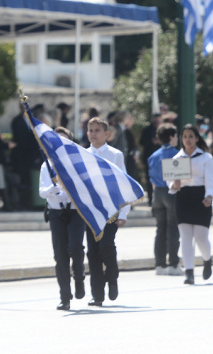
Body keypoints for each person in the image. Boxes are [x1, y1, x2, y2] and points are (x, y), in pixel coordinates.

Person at [39, 126, 86, 310]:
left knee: (75, 247)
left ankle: (79, 277)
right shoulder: (47, 165)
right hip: (56, 212)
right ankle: (64, 296)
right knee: (60, 255)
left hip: (75, 211)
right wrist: (55, 187)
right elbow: (42, 191)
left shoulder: (76, 162)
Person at [85, 117, 127, 305]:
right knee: (93, 252)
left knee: (106, 246)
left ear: (106, 134)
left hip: (110, 210)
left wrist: (124, 213)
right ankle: (97, 294)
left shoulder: (115, 155)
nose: (94, 134)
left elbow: (123, 183)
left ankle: (112, 276)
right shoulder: (82, 154)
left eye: (97, 130)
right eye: (91, 130)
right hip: (90, 210)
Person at [168, 124, 213, 285]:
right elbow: (171, 183)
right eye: (185, 136)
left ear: (197, 138)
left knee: (201, 237)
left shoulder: (205, 157)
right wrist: (174, 184)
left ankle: (207, 260)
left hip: (201, 197)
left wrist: (209, 196)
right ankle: (189, 272)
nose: (187, 140)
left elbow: (210, 179)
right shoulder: (176, 159)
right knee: (186, 237)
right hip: (183, 197)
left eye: (191, 136)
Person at [148, 123, 182, 276]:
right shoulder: (177, 154)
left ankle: (159, 264)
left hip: (157, 193)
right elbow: (178, 178)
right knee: (173, 228)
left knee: (160, 229)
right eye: (176, 136)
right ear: (171, 137)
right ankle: (173, 264)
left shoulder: (153, 156)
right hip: (171, 192)